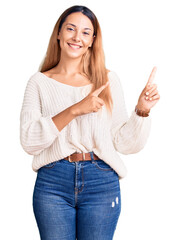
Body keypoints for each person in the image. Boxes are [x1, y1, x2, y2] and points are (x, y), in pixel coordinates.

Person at [19, 5, 160, 240]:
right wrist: (75, 110)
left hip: (101, 180)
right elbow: (29, 141)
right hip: (53, 181)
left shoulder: (107, 80)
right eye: (70, 29)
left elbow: (124, 143)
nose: (77, 37)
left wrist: (142, 111)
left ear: (93, 40)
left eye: (86, 32)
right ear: (58, 33)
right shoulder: (39, 82)